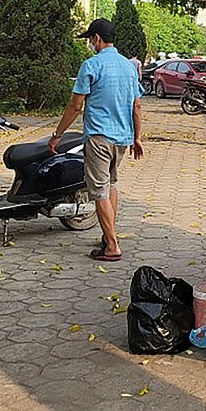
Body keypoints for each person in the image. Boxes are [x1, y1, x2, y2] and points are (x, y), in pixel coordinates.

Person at [48, 18, 144, 261]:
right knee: (110, 184)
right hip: (122, 138)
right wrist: (138, 138)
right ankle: (107, 234)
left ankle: (112, 246)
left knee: (99, 191)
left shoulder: (90, 65)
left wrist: (57, 135)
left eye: (90, 39)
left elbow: (75, 105)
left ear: (97, 38)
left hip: (99, 137)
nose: (90, 43)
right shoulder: (128, 67)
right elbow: (137, 106)